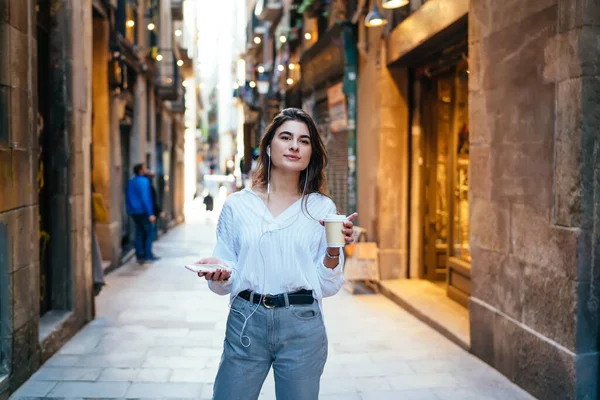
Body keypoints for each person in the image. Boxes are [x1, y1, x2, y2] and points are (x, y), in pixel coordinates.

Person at [195, 108, 358, 400]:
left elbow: (329, 285)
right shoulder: (238, 206)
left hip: (302, 324)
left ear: (311, 152)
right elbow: (224, 278)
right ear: (269, 147)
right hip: (246, 321)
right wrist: (219, 273)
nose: (295, 145)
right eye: (286, 137)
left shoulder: (322, 209)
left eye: (304, 140)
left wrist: (333, 251)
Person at [126, 163, 156, 264]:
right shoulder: (144, 181)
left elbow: (128, 197)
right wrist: (150, 214)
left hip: (135, 212)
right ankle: (148, 255)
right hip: (143, 211)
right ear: (140, 170)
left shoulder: (131, 181)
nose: (146, 170)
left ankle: (140, 255)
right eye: (144, 168)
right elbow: (145, 198)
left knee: (139, 233)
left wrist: (130, 210)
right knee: (149, 233)